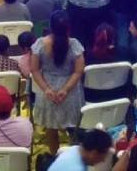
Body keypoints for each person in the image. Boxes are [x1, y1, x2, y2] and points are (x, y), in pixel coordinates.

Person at [31, 10, 86, 154]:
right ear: (69, 27)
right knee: (74, 127)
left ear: (51, 26)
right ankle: (75, 155)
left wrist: (46, 89)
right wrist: (66, 89)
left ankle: (55, 156)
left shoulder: (40, 44)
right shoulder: (75, 44)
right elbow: (78, 71)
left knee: (51, 127)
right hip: (71, 91)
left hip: (47, 91)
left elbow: (34, 70)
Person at [48, 129, 113, 171]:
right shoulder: (77, 168)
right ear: (94, 153)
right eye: (102, 157)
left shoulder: (75, 149)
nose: (103, 160)